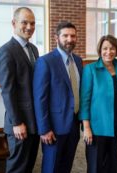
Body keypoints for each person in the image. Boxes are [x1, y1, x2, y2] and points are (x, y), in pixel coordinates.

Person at [33, 21, 82, 173]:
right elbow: (40, 98)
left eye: (73, 36)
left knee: (66, 165)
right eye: (65, 35)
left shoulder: (78, 61)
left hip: (73, 125)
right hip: (53, 128)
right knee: (51, 167)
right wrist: (44, 129)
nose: (69, 39)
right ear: (57, 38)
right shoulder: (45, 61)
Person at [0, 7, 40, 173]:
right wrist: (17, 122)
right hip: (19, 123)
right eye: (25, 22)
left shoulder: (33, 49)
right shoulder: (5, 51)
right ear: (14, 23)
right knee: (17, 168)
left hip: (34, 121)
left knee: (28, 165)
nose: (29, 27)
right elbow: (7, 91)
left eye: (33, 23)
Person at [79, 35, 117, 173]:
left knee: (112, 164)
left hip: (116, 124)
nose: (108, 51)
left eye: (112, 48)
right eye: (105, 48)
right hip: (96, 127)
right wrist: (86, 127)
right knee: (96, 166)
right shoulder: (90, 69)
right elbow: (85, 100)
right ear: (99, 50)